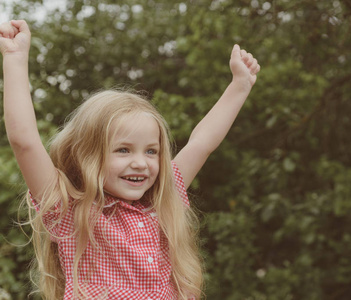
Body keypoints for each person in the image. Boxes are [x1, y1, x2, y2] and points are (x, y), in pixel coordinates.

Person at [0, 20, 260, 299]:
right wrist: (15, 59)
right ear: (88, 154)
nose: (141, 162)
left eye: (151, 151)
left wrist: (240, 85)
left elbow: (202, 143)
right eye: (123, 150)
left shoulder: (163, 202)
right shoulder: (71, 211)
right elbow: (24, 142)